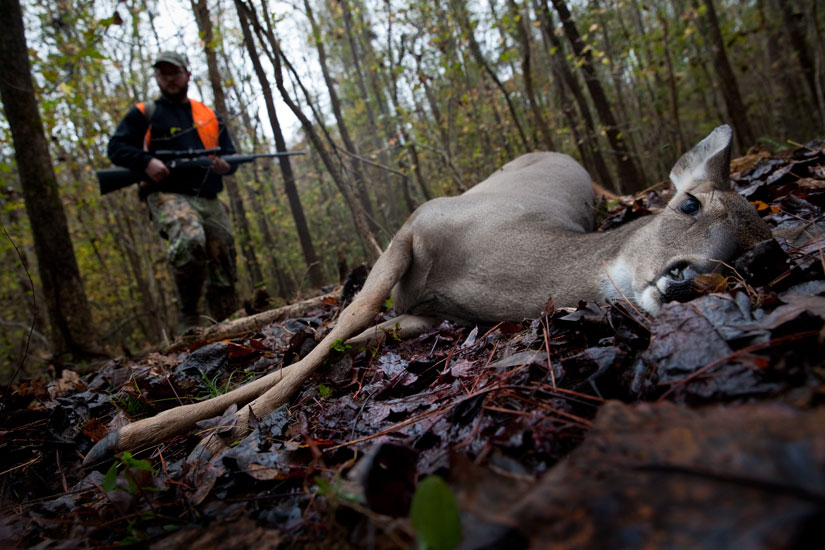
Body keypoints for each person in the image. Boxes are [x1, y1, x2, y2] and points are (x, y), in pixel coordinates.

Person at [108, 51, 240, 333]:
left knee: (223, 246)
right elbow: (116, 148)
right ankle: (190, 318)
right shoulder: (145, 113)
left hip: (207, 196)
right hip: (167, 194)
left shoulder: (208, 115)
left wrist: (225, 165)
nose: (170, 78)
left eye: (175, 72)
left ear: (187, 75)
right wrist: (147, 162)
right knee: (190, 237)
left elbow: (230, 156)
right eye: (163, 73)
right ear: (157, 77)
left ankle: (230, 321)